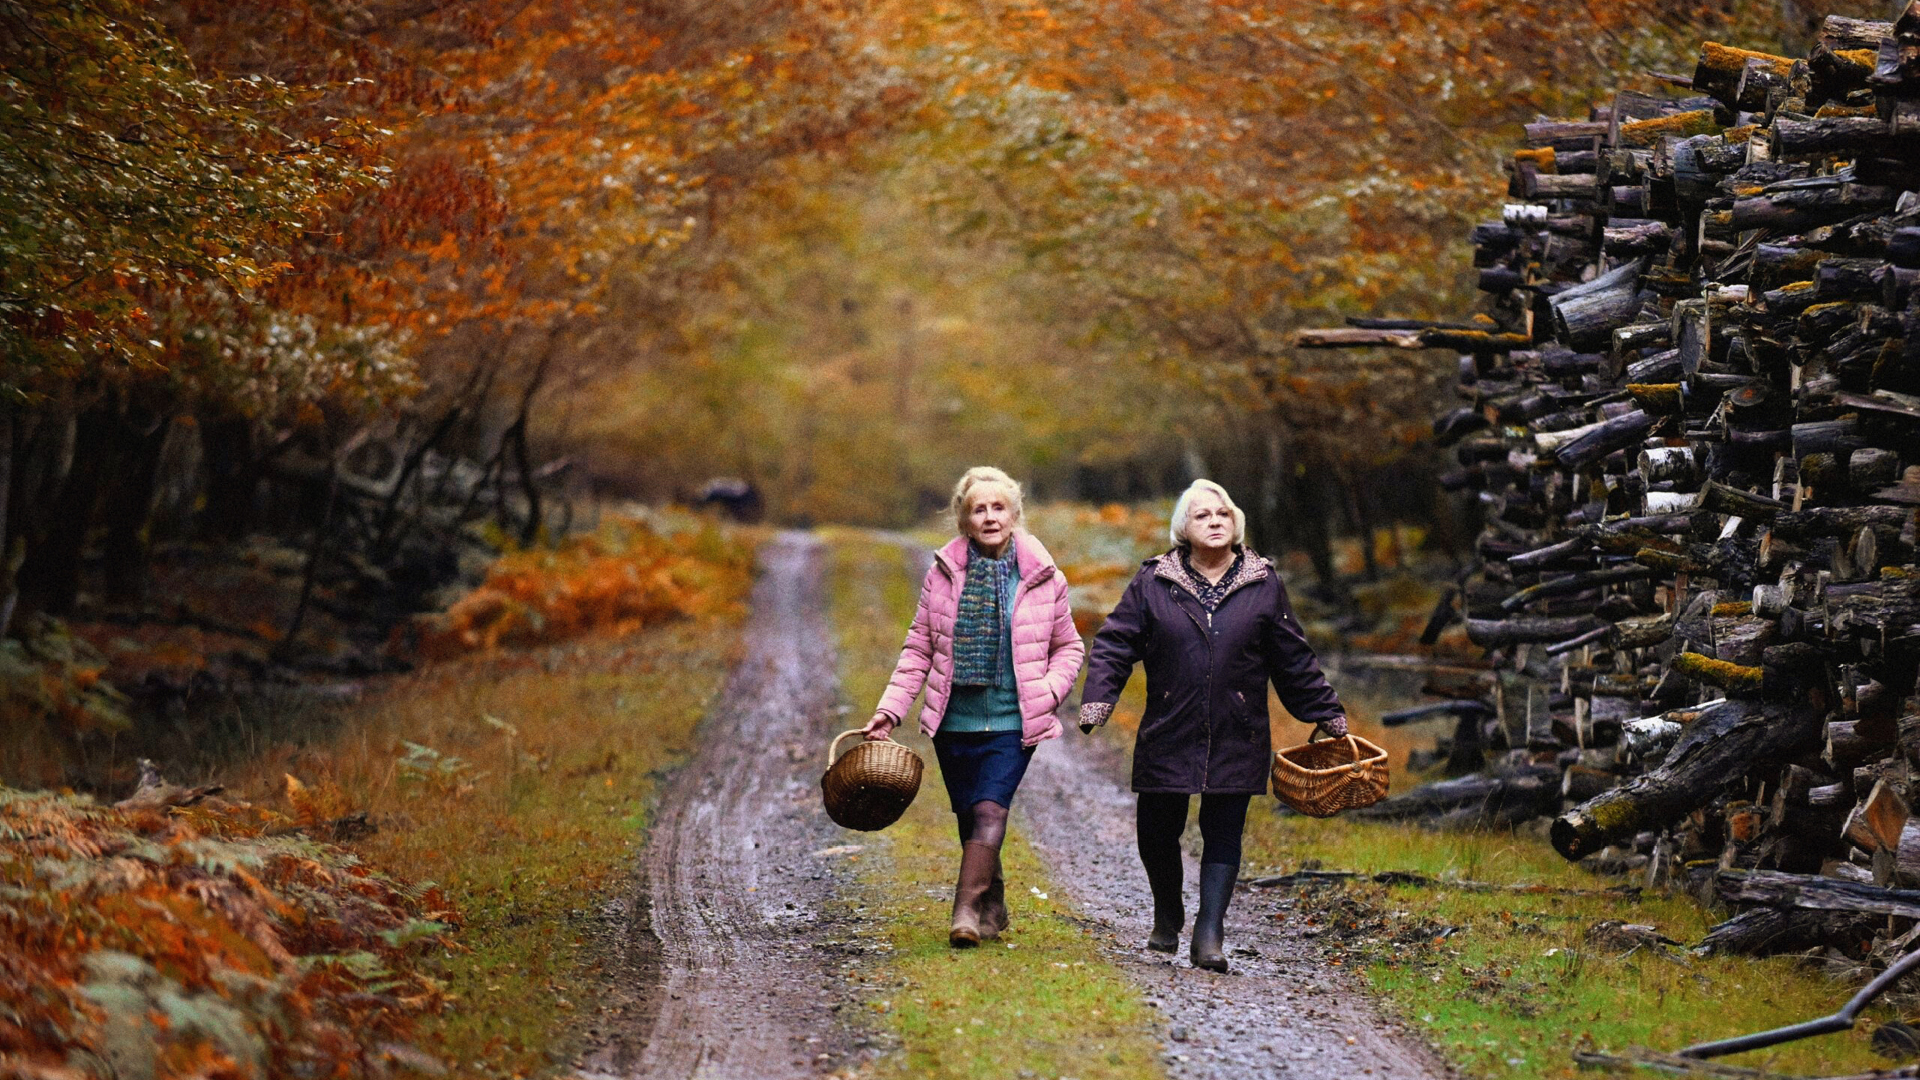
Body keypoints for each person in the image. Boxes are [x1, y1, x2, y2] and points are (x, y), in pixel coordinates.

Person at [1077, 479, 1350, 972]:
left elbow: (1292, 656)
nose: (1215, 521)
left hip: (1238, 726)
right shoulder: (1153, 581)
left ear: (1236, 522)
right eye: (1202, 515)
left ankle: (1210, 932)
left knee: (1224, 829)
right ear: (1184, 528)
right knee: (1156, 830)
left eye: (1223, 513)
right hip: (1169, 722)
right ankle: (1168, 911)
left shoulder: (1263, 582)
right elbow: (1116, 642)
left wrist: (1326, 712)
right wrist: (1099, 699)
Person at [862, 466, 1086, 947]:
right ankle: (993, 903)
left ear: (1014, 514)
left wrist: (1048, 692)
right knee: (970, 816)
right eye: (978, 509)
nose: (989, 517)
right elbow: (919, 648)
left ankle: (963, 911)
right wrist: (890, 709)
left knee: (990, 809)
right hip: (954, 721)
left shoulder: (1044, 577)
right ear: (964, 520)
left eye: (998, 507)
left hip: (1013, 720)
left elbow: (1069, 647)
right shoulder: (942, 575)